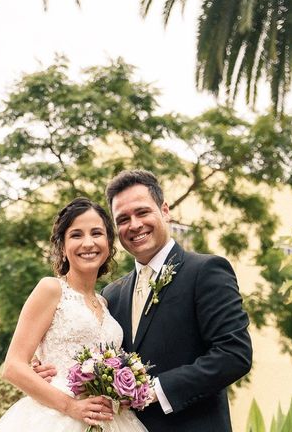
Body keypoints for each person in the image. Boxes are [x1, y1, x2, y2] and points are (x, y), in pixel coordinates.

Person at [101, 169, 252, 431]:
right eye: (123, 219)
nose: (134, 225)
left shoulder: (206, 271)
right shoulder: (111, 294)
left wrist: (155, 390)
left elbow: (233, 353)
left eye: (142, 212)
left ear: (165, 210)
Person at [0, 197, 148, 432]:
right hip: (56, 416)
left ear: (108, 243)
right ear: (63, 247)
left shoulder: (106, 302)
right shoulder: (51, 289)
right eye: (76, 235)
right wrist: (71, 407)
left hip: (112, 420)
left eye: (96, 233)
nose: (88, 243)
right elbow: (13, 366)